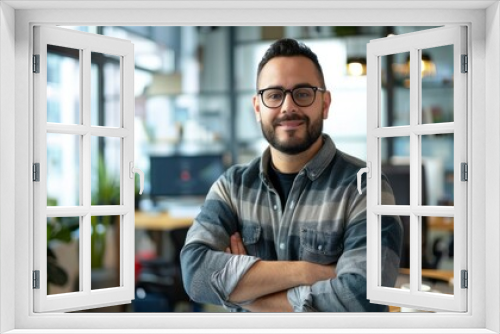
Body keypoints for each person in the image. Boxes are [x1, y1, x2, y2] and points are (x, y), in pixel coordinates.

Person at [180, 38, 403, 312]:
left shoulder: (364, 186)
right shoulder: (232, 187)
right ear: (257, 107)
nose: (288, 107)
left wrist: (247, 295)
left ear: (325, 103)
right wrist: (309, 272)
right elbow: (196, 276)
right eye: (274, 94)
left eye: (303, 93)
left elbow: (363, 297)